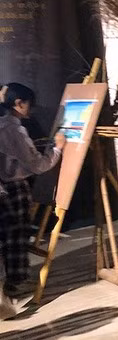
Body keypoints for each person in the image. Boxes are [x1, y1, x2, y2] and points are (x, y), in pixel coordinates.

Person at [0, 83, 65, 316]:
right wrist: (57, 150)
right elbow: (37, 165)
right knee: (16, 235)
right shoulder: (14, 130)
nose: (31, 109)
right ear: (19, 104)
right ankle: (14, 284)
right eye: (28, 104)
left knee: (9, 236)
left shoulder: (3, 124)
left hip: (4, 186)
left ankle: (12, 284)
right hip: (14, 188)